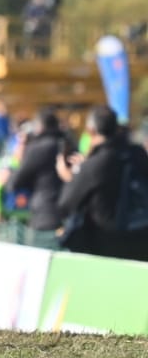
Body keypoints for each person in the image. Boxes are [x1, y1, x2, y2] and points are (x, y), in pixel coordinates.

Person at [56, 106, 148, 261]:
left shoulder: (95, 164)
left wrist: (70, 178)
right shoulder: (137, 153)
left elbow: (65, 204)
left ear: (91, 131)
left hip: (107, 248)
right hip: (142, 240)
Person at [7, 110, 75, 247]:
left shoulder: (38, 148)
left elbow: (15, 182)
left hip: (45, 216)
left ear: (39, 127)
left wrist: (16, 162)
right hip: (69, 216)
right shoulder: (70, 144)